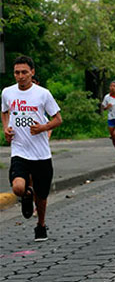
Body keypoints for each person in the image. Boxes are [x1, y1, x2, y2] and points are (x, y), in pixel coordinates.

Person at [1, 55, 62, 241]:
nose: (20, 76)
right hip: (19, 150)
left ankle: (41, 225)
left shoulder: (43, 94)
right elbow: (4, 111)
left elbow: (58, 119)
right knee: (18, 187)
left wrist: (43, 128)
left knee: (42, 197)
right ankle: (27, 194)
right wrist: (5, 128)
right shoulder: (7, 93)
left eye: (24, 72)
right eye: (17, 73)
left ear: (32, 72)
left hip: (41, 154)